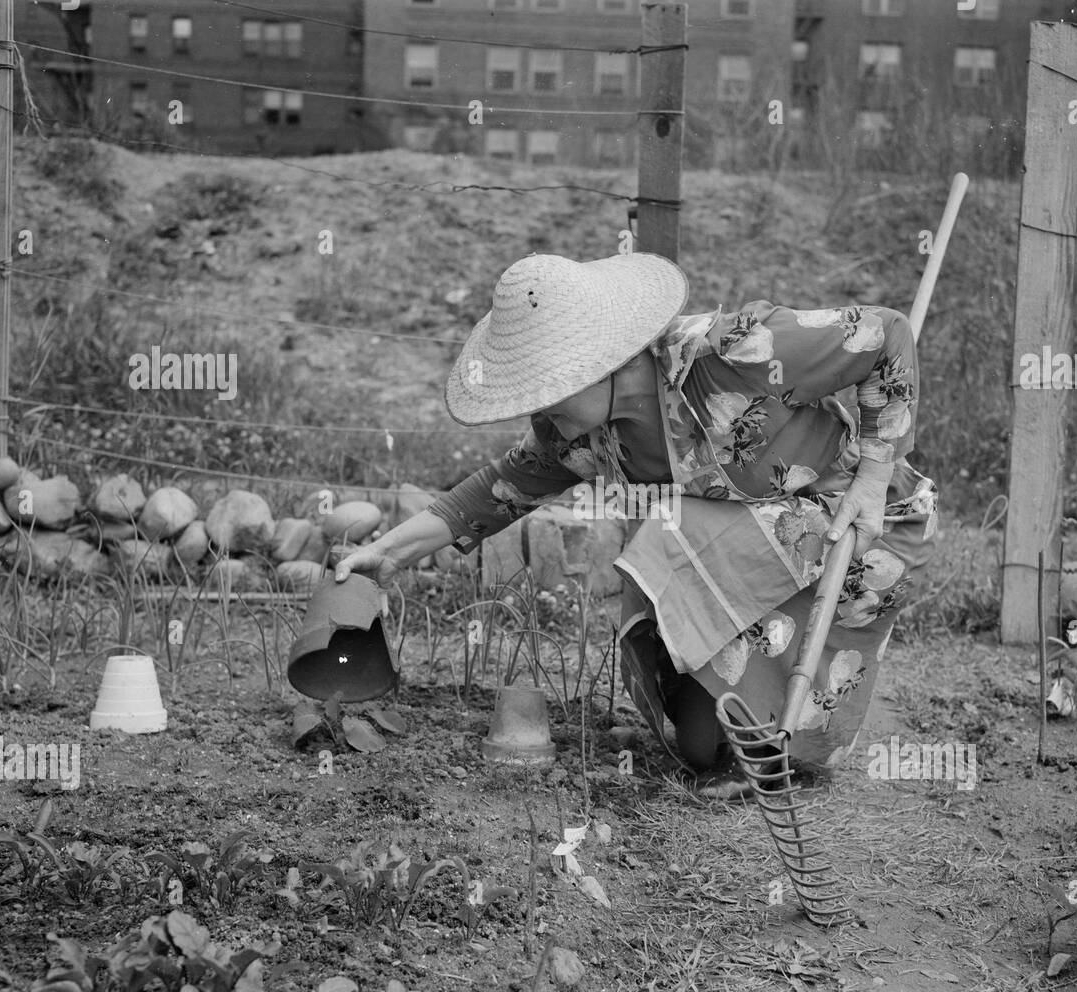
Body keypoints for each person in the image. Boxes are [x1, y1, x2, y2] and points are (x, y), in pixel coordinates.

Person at [335, 253, 938, 798]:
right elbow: (494, 494)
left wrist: (875, 475)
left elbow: (886, 333)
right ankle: (746, 738)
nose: (538, 409)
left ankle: (781, 738)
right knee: (703, 747)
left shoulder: (733, 353)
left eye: (550, 389)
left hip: (854, 527)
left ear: (605, 363)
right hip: (744, 553)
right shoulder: (577, 435)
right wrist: (388, 553)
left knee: (671, 532)